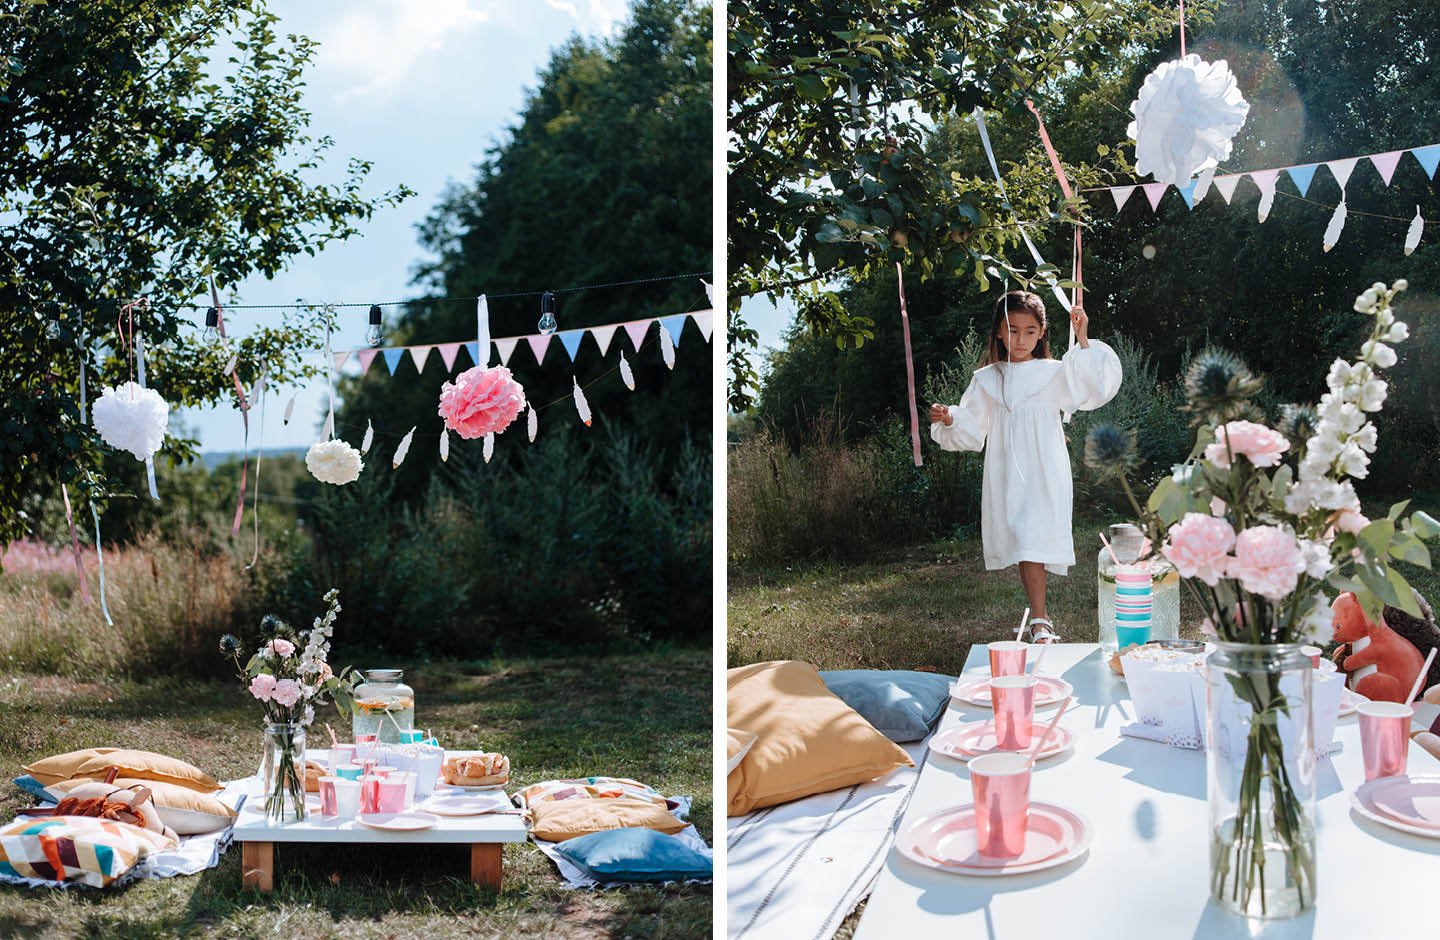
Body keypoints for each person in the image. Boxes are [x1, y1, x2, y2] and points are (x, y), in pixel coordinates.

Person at [928, 290, 1122, 643]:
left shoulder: (1055, 373)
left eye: (1029, 331)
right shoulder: (988, 378)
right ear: (999, 331)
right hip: (1007, 470)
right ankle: (1041, 619)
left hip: (1046, 466)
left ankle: (1040, 620)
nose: (1020, 339)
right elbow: (974, 427)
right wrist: (950, 418)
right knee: (1024, 539)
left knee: (1036, 536)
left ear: (1042, 332)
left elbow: (1089, 390)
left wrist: (1081, 337)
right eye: (1012, 329)